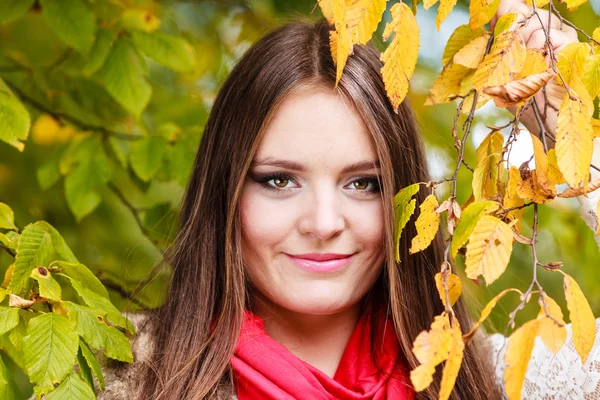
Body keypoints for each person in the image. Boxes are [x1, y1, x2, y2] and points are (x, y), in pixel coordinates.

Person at [95, 1, 600, 399]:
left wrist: (572, 126)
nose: (322, 222)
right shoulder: (114, 377)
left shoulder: (495, 381)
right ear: (225, 192)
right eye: (278, 181)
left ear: (408, 201)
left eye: (363, 184)